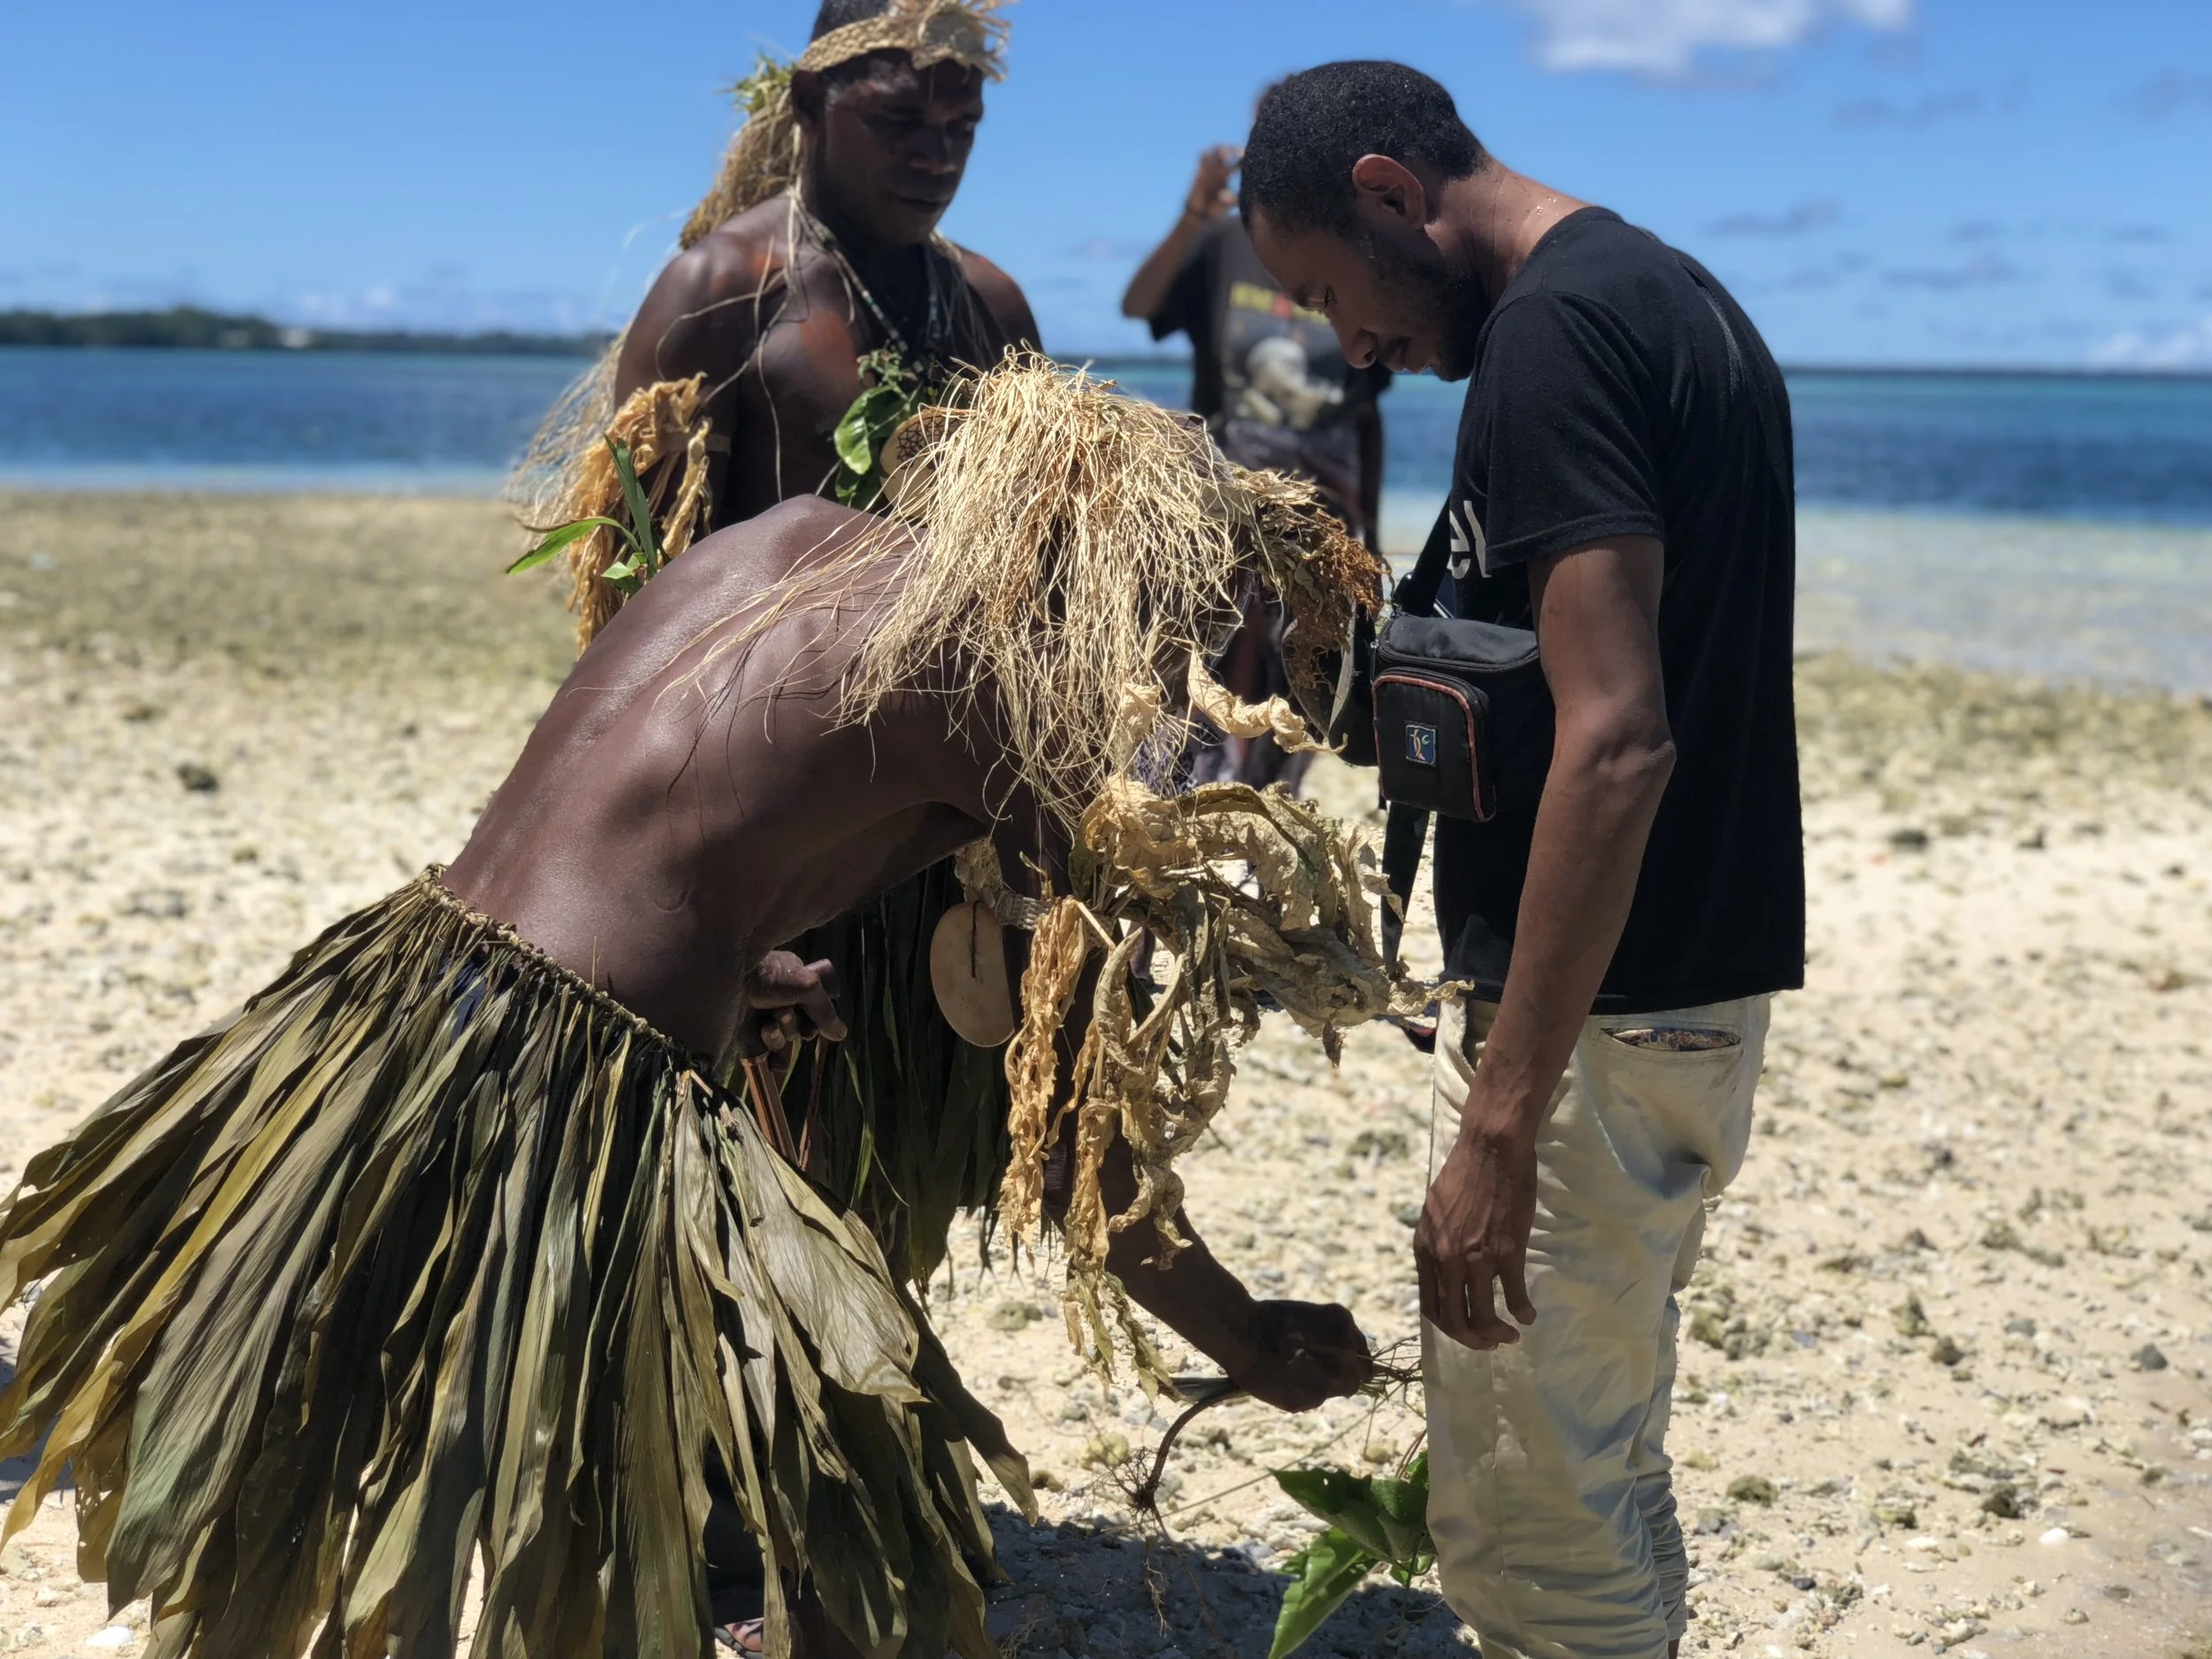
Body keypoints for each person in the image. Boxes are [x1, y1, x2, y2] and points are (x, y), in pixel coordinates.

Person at [0, 361, 1385, 1659]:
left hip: (407, 984)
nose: (1158, 651)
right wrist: (1244, 1334)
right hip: (582, 1080)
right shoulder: (1000, 687)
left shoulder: (779, 537)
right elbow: (1075, 1108)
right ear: (1100, 565)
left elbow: (663, 811)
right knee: (853, 1544)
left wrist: (739, 957)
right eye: (1163, 607)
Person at [1240, 61, 1805, 1659]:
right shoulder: (1672, 293)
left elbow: (1618, 741)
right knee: (1598, 1453)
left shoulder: (1554, 341)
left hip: (1593, 1026)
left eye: (1336, 294)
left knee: (1536, 1530)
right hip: (1687, 995)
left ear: (1392, 193)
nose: (1354, 348)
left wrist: (1497, 1124)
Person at [1120, 140, 1391, 792]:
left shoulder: (1363, 261)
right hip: (1223, 507)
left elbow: (1367, 412)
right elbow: (1139, 305)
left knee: (1299, 676)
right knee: (1205, 657)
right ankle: (1178, 811)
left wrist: (1372, 534)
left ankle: (1265, 812)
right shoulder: (1223, 243)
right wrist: (1191, 217)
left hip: (1323, 517)